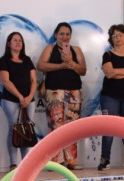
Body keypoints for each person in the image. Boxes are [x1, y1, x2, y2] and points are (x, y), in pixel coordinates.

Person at [37, 22, 87, 170]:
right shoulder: (50, 49)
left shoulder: (76, 50)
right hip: (55, 92)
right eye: (62, 34)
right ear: (56, 35)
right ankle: (56, 162)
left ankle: (71, 161)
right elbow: (41, 65)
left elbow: (83, 70)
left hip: (74, 92)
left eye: (67, 34)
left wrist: (71, 62)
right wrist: (61, 66)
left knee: (72, 128)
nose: (65, 37)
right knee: (56, 126)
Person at [98, 24, 124, 171]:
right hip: (110, 96)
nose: (118, 38)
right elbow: (109, 73)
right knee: (109, 128)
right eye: (115, 35)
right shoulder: (107, 55)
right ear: (111, 38)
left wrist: (118, 72)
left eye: (121, 35)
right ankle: (105, 160)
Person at [0, 32, 38, 170]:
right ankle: (14, 163)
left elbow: (34, 80)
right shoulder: (4, 60)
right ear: (9, 43)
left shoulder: (27, 60)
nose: (18, 42)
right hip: (11, 100)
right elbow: (5, 80)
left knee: (26, 130)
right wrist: (20, 97)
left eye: (20, 40)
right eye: (15, 40)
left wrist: (29, 97)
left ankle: (26, 164)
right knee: (14, 129)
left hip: (29, 101)